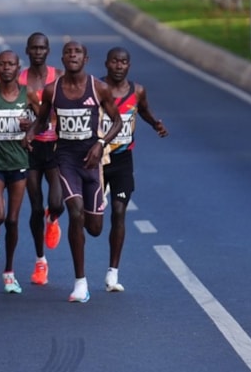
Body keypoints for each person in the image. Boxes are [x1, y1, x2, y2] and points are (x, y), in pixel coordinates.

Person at [27, 41, 122, 303]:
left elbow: (117, 120)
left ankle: (100, 197)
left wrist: (101, 144)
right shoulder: (52, 90)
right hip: (66, 160)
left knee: (94, 228)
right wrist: (30, 133)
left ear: (85, 58)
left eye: (77, 52)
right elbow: (43, 119)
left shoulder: (98, 88)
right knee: (75, 213)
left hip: (91, 162)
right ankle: (80, 282)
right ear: (63, 58)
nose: (72, 56)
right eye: (68, 52)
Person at [101, 47, 168, 292]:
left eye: (124, 62)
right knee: (93, 223)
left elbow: (145, 110)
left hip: (122, 160)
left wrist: (156, 125)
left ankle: (112, 272)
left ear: (129, 66)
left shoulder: (137, 91)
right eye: (115, 62)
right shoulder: (97, 89)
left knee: (119, 211)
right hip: (98, 159)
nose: (119, 66)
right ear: (107, 64)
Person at [0, 50, 38, 294]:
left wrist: (30, 129)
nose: (6, 68)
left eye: (11, 64)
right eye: (1, 64)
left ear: (18, 67)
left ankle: (9, 272)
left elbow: (46, 117)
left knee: (13, 219)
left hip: (19, 160)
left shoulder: (28, 93)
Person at [19, 32, 63, 286]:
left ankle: (53, 218)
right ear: (27, 50)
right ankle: (40, 261)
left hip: (55, 147)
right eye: (33, 48)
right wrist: (24, 124)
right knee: (35, 206)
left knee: (57, 203)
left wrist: (45, 120)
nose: (37, 52)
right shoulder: (20, 79)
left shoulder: (58, 77)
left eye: (42, 48)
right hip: (30, 149)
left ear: (47, 51)